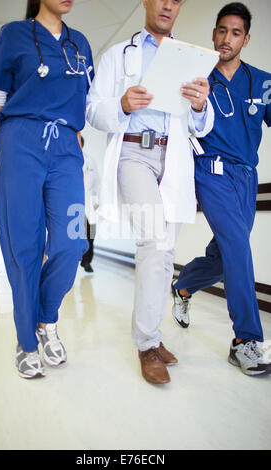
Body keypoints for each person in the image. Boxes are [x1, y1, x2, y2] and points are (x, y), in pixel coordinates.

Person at [87, 0, 214, 385]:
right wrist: (122, 105)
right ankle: (146, 344)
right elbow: (92, 110)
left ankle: (154, 338)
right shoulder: (117, 55)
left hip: (172, 154)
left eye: (176, 0)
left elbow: (201, 126)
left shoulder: (189, 58)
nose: (168, 5)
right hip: (133, 152)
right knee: (154, 244)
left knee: (167, 252)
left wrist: (199, 104)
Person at [0, 0, 94, 379]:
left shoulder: (81, 44)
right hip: (20, 140)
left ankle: (46, 319)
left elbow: (87, 103)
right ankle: (27, 342)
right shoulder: (14, 34)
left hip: (66, 147)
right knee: (24, 245)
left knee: (73, 242)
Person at [172, 2, 271, 377]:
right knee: (237, 247)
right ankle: (245, 341)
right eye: (221, 30)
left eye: (234, 33)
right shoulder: (196, 78)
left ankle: (183, 286)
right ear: (213, 34)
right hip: (209, 171)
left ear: (245, 39)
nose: (226, 39)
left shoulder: (262, 81)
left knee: (223, 256)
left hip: (246, 177)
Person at [80, 136, 100, 273]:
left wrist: (97, 200)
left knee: (90, 233)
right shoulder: (66, 160)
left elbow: (97, 183)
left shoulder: (90, 161)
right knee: (72, 234)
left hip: (88, 203)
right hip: (71, 202)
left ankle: (86, 261)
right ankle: (73, 260)